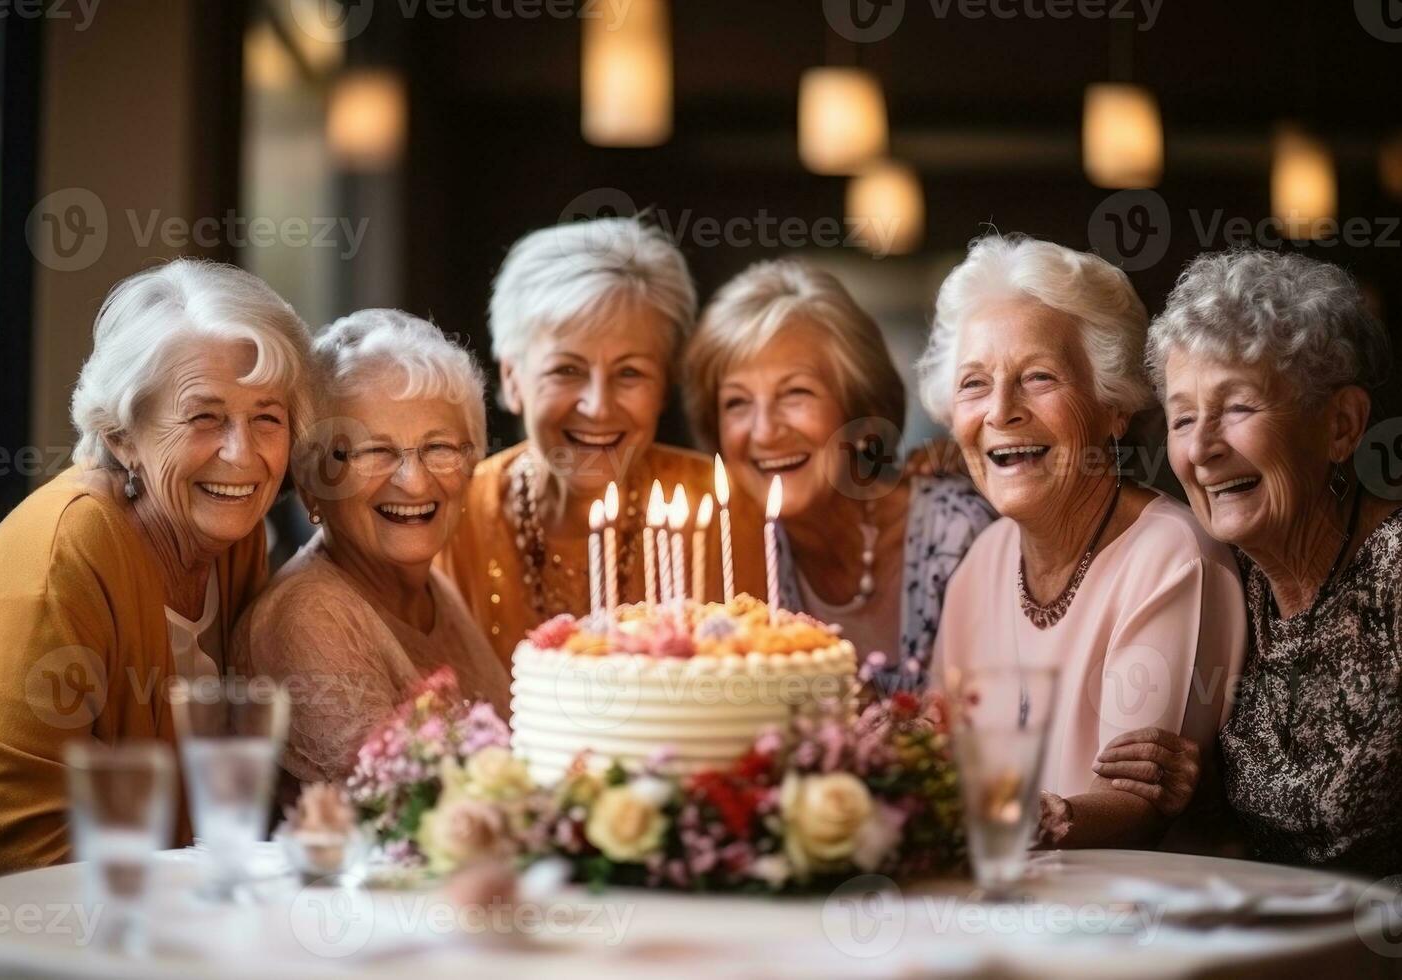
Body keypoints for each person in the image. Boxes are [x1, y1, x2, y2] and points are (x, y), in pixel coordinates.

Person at [0, 260, 313, 880]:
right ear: (121, 435)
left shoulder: (234, 537)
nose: (242, 455)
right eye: (204, 417)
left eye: (267, 417)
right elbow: (18, 858)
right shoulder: (64, 555)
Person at [922, 234, 1247, 848]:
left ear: (1113, 406)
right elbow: (937, 759)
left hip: (1130, 921)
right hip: (993, 910)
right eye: (973, 384)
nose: (1000, 411)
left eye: (1038, 376)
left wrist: (1023, 817)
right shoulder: (982, 563)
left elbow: (1137, 804)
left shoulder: (1171, 557)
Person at [1139, 248, 1400, 876]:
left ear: (1341, 425)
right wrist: (1196, 795)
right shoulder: (1230, 582)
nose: (1201, 449)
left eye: (1238, 407)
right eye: (1182, 417)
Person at [233, 310, 509, 786]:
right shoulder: (307, 618)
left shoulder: (433, 588)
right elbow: (405, 808)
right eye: (373, 451)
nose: (414, 480)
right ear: (312, 484)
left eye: (439, 447)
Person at [684, 258, 994, 683]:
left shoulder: (958, 534)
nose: (764, 431)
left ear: (860, 409)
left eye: (795, 393)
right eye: (736, 402)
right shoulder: (728, 556)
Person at [441, 217, 719, 661]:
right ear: (513, 380)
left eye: (630, 373)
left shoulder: (722, 506)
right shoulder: (450, 515)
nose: (598, 406)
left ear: (664, 386)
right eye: (566, 370)